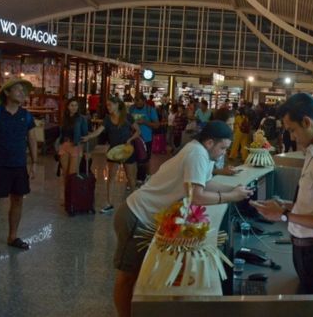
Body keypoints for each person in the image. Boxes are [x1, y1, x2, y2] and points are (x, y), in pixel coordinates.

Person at [112, 121, 253, 317]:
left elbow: (206, 182)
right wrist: (230, 196)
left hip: (145, 215)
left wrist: (233, 189)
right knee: (127, 276)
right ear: (210, 142)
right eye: (222, 148)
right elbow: (196, 195)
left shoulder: (201, 151)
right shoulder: (196, 154)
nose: (223, 153)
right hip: (137, 215)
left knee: (138, 273)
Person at [251, 93, 313, 294]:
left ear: (306, 121)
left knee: (312, 307)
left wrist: (283, 215)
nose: (292, 137)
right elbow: (312, 202)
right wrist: (284, 204)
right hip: (304, 247)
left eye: (292, 130)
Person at [0, 79, 38, 255]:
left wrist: (34, 163)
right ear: (7, 93)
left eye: (23, 91)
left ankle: (13, 236)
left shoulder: (26, 115)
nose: (22, 93)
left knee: (18, 199)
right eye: (18, 90)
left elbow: (32, 139)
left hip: (19, 165)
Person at [82, 97, 141, 213]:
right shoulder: (107, 119)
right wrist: (88, 137)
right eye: (107, 105)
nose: (108, 107)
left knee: (131, 178)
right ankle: (109, 203)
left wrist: (130, 139)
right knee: (111, 177)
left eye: (110, 105)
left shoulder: (127, 117)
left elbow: (138, 131)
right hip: (114, 151)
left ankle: (134, 204)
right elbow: (99, 131)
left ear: (117, 105)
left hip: (127, 150)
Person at [58, 98, 89, 200]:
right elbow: (61, 132)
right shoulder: (65, 118)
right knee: (65, 173)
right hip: (65, 145)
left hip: (76, 146)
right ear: (68, 107)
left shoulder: (81, 118)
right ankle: (65, 195)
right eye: (72, 105)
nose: (74, 107)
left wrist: (86, 151)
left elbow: (85, 135)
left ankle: (72, 197)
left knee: (72, 174)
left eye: (75, 105)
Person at [129, 94, 160, 183]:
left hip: (146, 139)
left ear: (144, 101)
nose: (137, 103)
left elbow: (157, 125)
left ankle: (146, 176)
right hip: (134, 138)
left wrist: (145, 122)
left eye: (138, 100)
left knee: (145, 159)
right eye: (135, 100)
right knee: (134, 160)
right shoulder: (131, 109)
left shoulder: (150, 110)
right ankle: (135, 178)